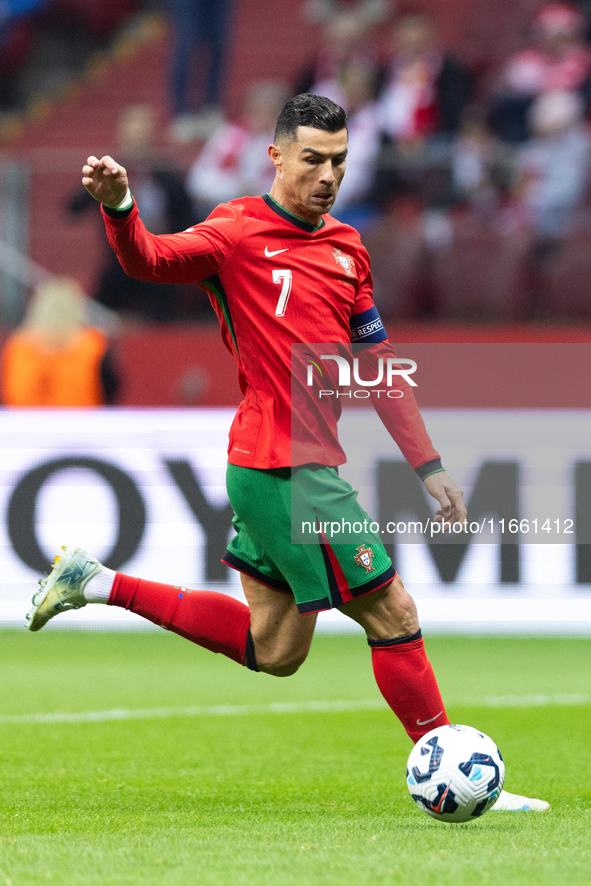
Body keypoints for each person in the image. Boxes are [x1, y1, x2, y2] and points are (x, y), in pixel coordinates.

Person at [26, 93, 547, 813]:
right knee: (392, 610)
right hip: (284, 465)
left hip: (282, 464)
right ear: (276, 157)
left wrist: (425, 463)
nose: (327, 175)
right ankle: (454, 770)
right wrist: (121, 211)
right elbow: (148, 260)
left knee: (276, 650)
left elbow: (377, 362)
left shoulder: (347, 247)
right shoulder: (234, 232)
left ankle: (97, 582)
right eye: (312, 159)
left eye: (338, 160)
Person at [1, 277, 118, 406]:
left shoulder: (18, 346)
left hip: (28, 423)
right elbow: (110, 391)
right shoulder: (93, 344)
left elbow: (9, 393)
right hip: (81, 422)